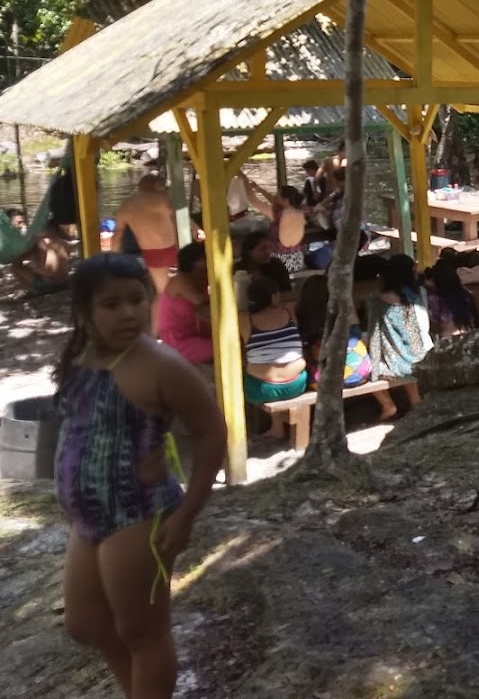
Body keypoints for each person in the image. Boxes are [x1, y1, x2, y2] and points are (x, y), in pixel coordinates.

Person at [54, 253, 225, 699]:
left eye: (136, 300)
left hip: (138, 513)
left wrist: (187, 514)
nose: (128, 313)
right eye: (111, 304)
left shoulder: (161, 365)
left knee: (141, 630)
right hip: (88, 518)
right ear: (85, 313)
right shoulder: (80, 355)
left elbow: (211, 433)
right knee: (87, 624)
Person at [363, 254, 431, 419]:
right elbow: (424, 326)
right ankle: (415, 400)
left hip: (395, 362)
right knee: (409, 357)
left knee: (363, 368)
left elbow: (373, 332)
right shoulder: (420, 293)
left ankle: (388, 405)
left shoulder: (376, 300)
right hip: (422, 355)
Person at [241, 276, 308, 437]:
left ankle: (275, 426)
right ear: (273, 297)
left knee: (244, 368)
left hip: (262, 390)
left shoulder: (244, 320)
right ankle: (277, 426)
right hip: (296, 384)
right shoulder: (288, 312)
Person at [112, 173, 184, 300]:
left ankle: (164, 309)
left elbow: (117, 234)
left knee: (162, 291)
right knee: (174, 288)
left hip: (151, 252)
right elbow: (181, 215)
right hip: (171, 246)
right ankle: (170, 312)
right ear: (155, 186)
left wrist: (113, 256)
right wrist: (196, 229)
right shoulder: (161, 199)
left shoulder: (127, 205)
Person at [157, 243, 212, 365]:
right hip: (178, 341)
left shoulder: (201, 279)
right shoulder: (180, 280)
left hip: (194, 334)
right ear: (193, 262)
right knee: (223, 348)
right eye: (205, 258)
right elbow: (200, 301)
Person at [241, 178, 307, 274]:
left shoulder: (277, 214)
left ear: (285, 199)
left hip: (279, 263)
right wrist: (259, 189)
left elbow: (252, 199)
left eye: (278, 194)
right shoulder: (300, 211)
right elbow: (274, 201)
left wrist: (243, 178)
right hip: (297, 261)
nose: (275, 196)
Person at [427, 256, 479, 339]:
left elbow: (433, 324)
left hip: (446, 339)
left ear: (436, 280)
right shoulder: (466, 294)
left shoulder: (434, 300)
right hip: (468, 336)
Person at [13, 220, 71, 295]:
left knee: (14, 267)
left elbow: (18, 260)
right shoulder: (65, 243)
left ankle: (33, 292)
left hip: (49, 285)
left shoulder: (40, 243)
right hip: (64, 282)